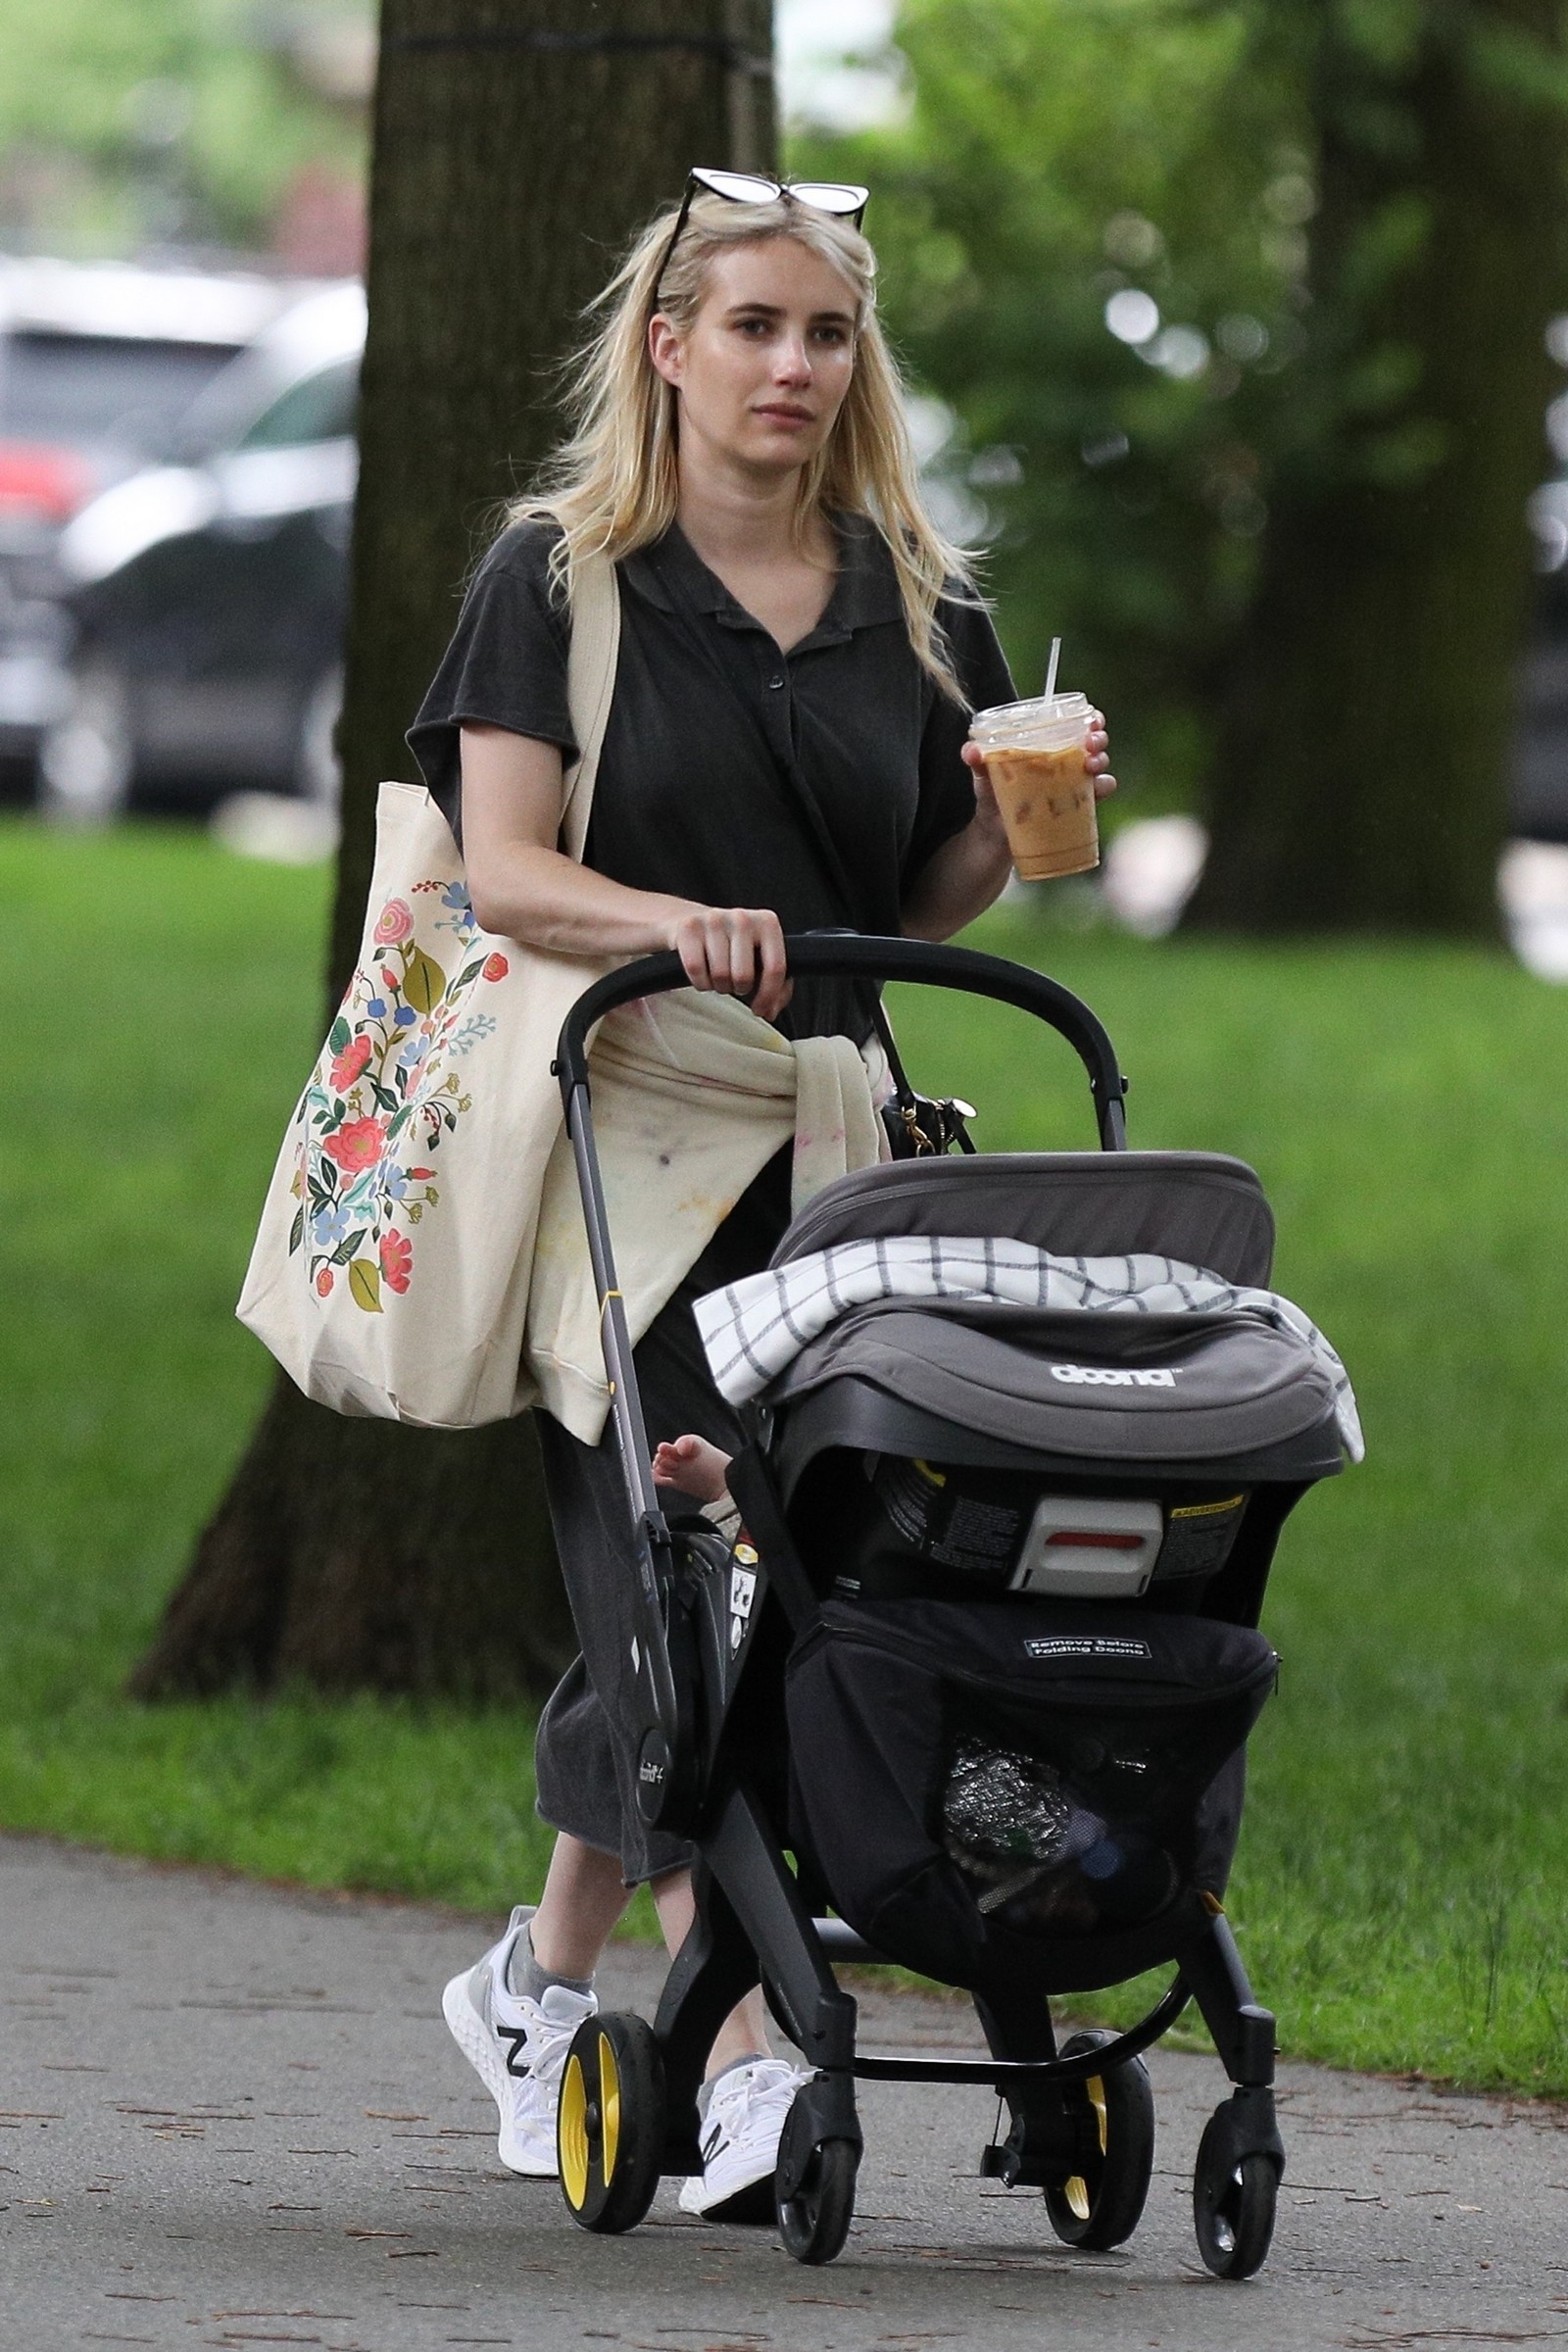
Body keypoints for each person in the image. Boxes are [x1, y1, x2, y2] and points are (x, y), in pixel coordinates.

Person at [409, 168, 1114, 2221]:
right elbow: (500, 869)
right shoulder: (560, 578)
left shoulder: (915, 592)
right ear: (668, 346)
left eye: (825, 333)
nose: (791, 366)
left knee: (803, 1565)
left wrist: (1013, 829)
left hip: (834, 1147)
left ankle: (537, 1982)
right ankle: (736, 2048)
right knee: (686, 1559)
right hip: (622, 1131)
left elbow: (908, 907)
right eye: (751, 327)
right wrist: (673, 920)